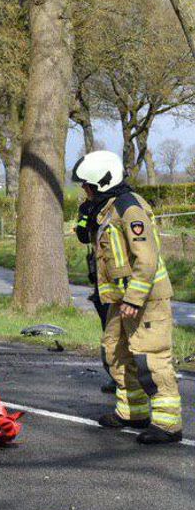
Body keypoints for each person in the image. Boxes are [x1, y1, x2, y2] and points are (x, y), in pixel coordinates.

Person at [72, 150, 183, 445]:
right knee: (115, 353)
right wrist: (86, 219)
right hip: (121, 299)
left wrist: (134, 298)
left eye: (88, 185)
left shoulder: (129, 208)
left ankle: (168, 423)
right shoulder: (105, 208)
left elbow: (146, 257)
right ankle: (132, 412)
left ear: (103, 182)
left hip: (145, 299)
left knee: (150, 356)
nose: (85, 190)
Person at [75, 199, 118, 393]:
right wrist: (85, 217)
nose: (85, 188)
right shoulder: (89, 208)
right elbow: (83, 235)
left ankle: (131, 378)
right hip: (101, 282)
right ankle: (116, 376)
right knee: (109, 332)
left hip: (118, 278)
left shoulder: (119, 206)